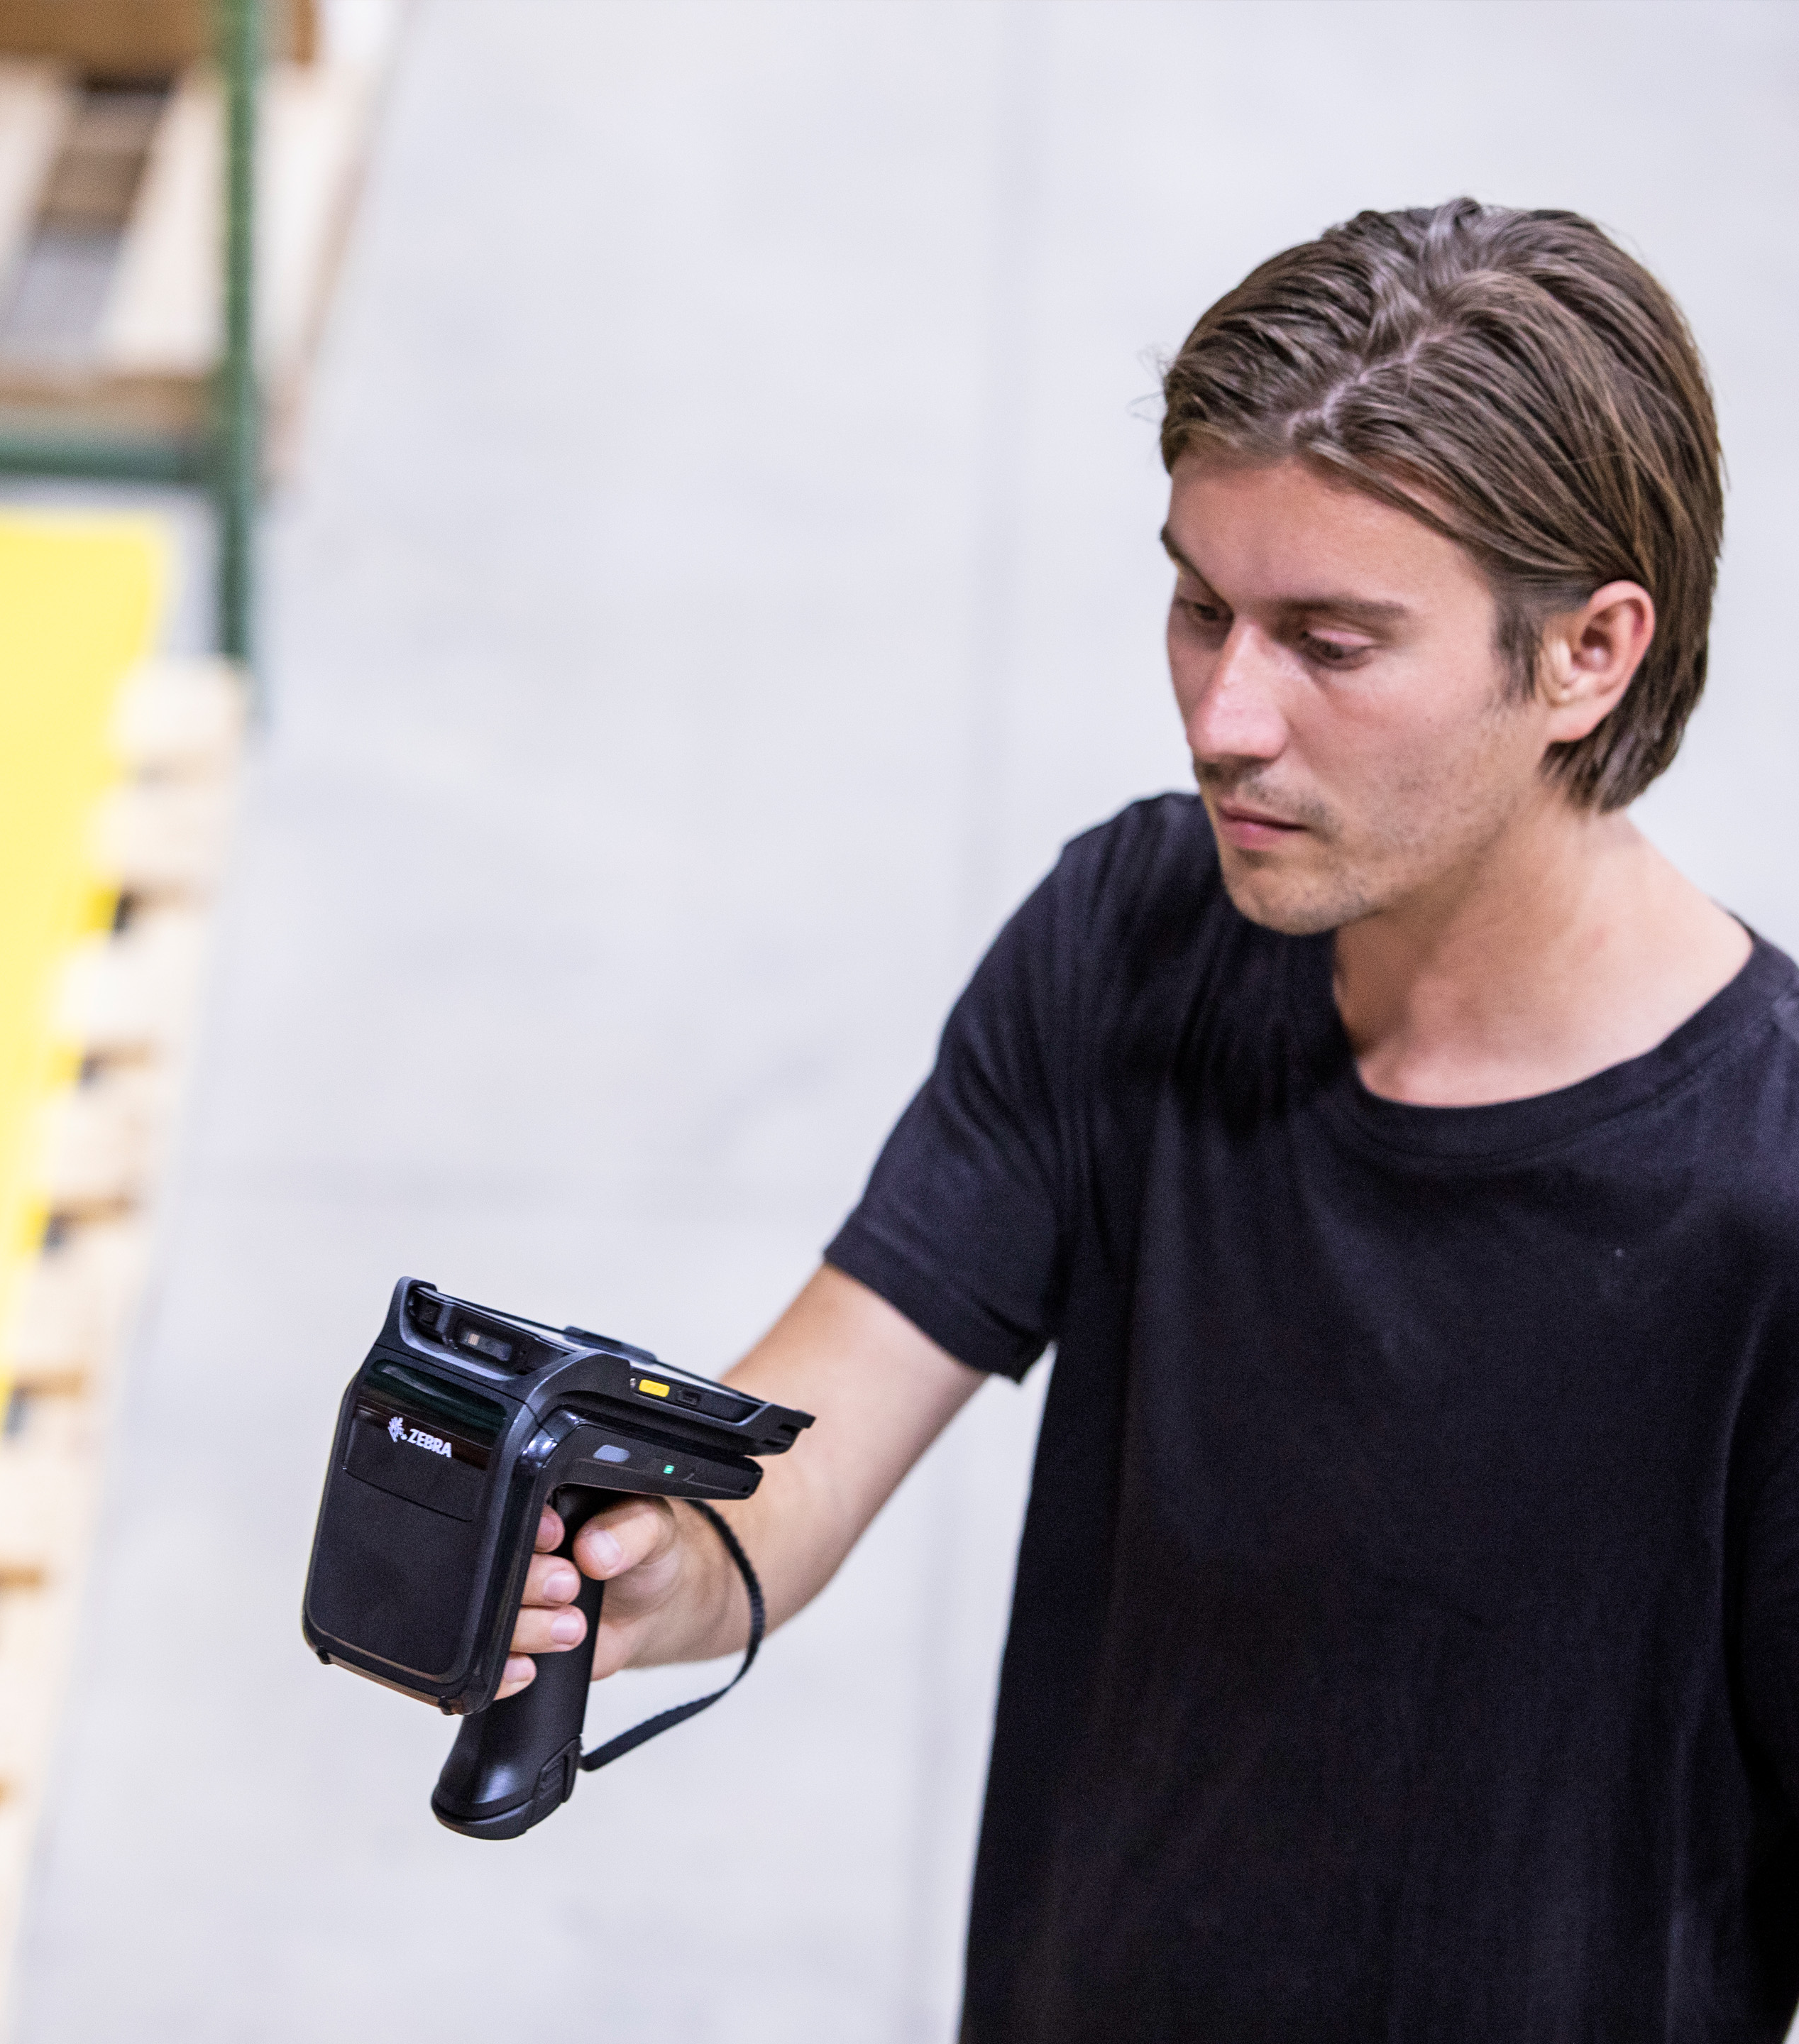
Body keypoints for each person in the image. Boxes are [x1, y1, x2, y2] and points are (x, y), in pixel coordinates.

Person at [505, 199, 1799, 2037]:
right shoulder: (1134, 939)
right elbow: (799, 1449)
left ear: (1587, 655)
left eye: (1331, 646)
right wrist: (644, 1571)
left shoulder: (1766, 1203)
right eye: (1201, 604)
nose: (1225, 715)